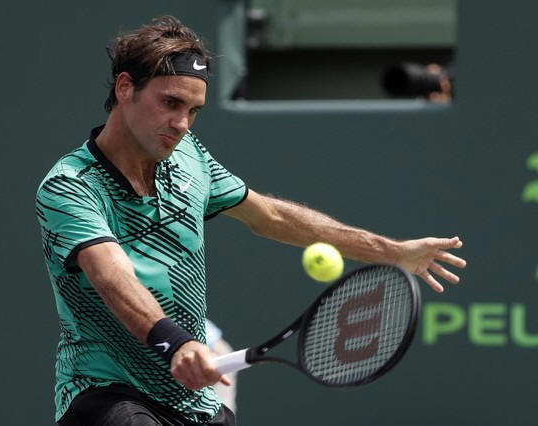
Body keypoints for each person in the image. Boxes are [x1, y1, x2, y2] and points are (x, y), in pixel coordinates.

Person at [35, 15, 466, 426]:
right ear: (126, 87)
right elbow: (112, 277)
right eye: (170, 103)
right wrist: (175, 343)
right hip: (107, 392)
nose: (181, 124)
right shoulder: (70, 185)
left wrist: (391, 251)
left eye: (194, 110)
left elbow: (271, 216)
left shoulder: (189, 157)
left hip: (195, 402)